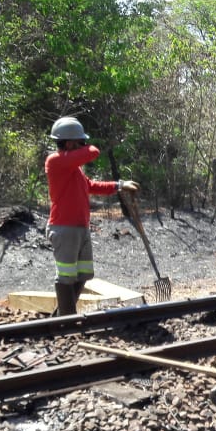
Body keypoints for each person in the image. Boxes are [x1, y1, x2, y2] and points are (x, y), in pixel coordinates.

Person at [45, 116, 139, 315]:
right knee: (66, 277)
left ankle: (60, 315)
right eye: (81, 142)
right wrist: (87, 147)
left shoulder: (74, 169)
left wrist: (120, 185)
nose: (84, 146)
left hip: (81, 228)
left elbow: (91, 186)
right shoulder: (55, 161)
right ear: (70, 143)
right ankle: (67, 322)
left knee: (83, 274)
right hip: (64, 229)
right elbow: (93, 152)